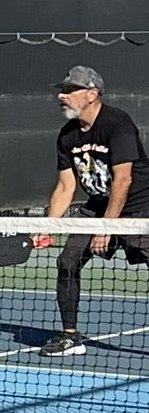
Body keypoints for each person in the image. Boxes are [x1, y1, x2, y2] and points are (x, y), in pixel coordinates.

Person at [37, 65, 149, 356]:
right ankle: (70, 337)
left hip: (140, 207)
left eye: (70, 90)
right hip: (98, 206)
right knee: (67, 262)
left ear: (92, 94)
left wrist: (106, 228)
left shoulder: (117, 124)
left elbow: (124, 179)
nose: (62, 96)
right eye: (62, 91)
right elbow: (65, 188)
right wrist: (47, 227)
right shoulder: (67, 137)